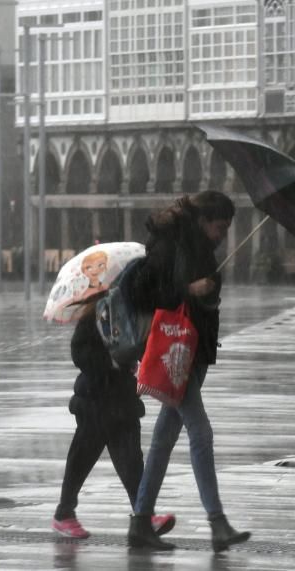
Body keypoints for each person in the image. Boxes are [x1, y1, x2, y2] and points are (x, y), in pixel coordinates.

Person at [127, 190, 251, 552]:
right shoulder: (170, 245)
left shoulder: (200, 250)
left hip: (193, 353)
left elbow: (201, 302)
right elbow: (141, 292)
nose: (222, 234)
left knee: (164, 439)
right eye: (218, 227)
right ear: (201, 221)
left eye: (227, 228)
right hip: (173, 353)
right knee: (201, 432)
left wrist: (207, 292)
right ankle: (217, 523)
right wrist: (188, 289)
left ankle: (140, 523)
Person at [52, 305, 175, 539]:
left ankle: (144, 515)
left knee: (131, 461)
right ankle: (64, 513)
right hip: (95, 399)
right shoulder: (94, 314)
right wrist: (110, 363)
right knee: (82, 459)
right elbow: (79, 352)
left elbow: (139, 345)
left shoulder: (130, 311)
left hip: (123, 397)